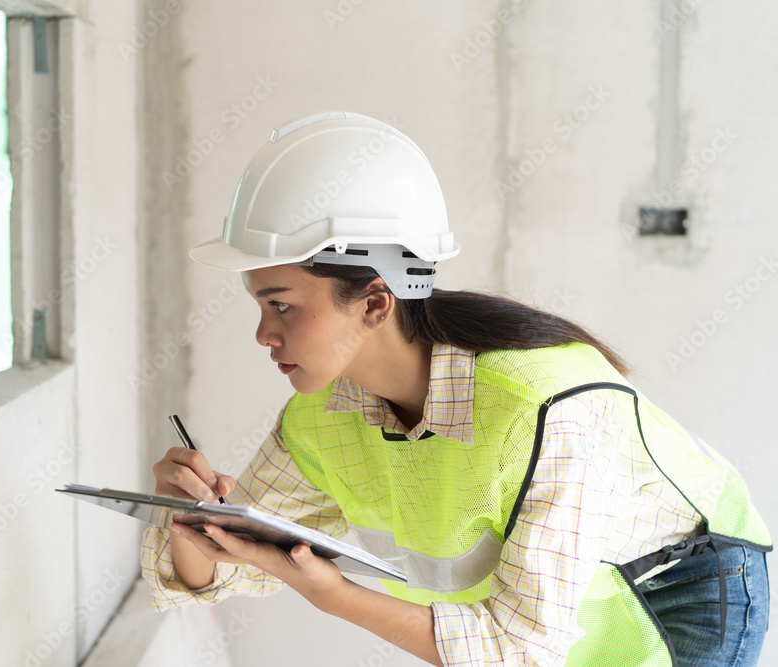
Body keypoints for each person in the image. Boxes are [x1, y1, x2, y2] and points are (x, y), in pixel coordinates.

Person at [140, 112, 771, 666]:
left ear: (375, 303)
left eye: (281, 306)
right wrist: (196, 527)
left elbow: (520, 651)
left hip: (676, 591)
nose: (263, 335)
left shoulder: (548, 410)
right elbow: (215, 576)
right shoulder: (323, 416)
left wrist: (333, 596)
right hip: (530, 630)